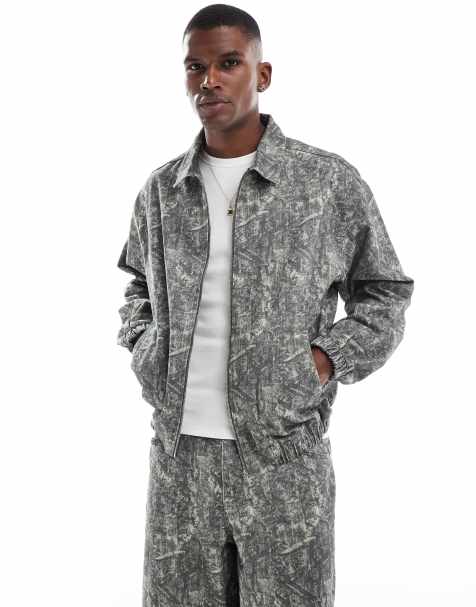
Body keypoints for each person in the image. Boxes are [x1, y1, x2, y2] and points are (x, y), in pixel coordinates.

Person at [116, 4, 414, 606]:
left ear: (263, 73)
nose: (209, 80)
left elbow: (385, 291)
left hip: (283, 459)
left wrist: (322, 362)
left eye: (228, 63)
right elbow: (137, 287)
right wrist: (148, 349)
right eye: (195, 67)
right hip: (179, 462)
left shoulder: (324, 182)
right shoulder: (162, 191)